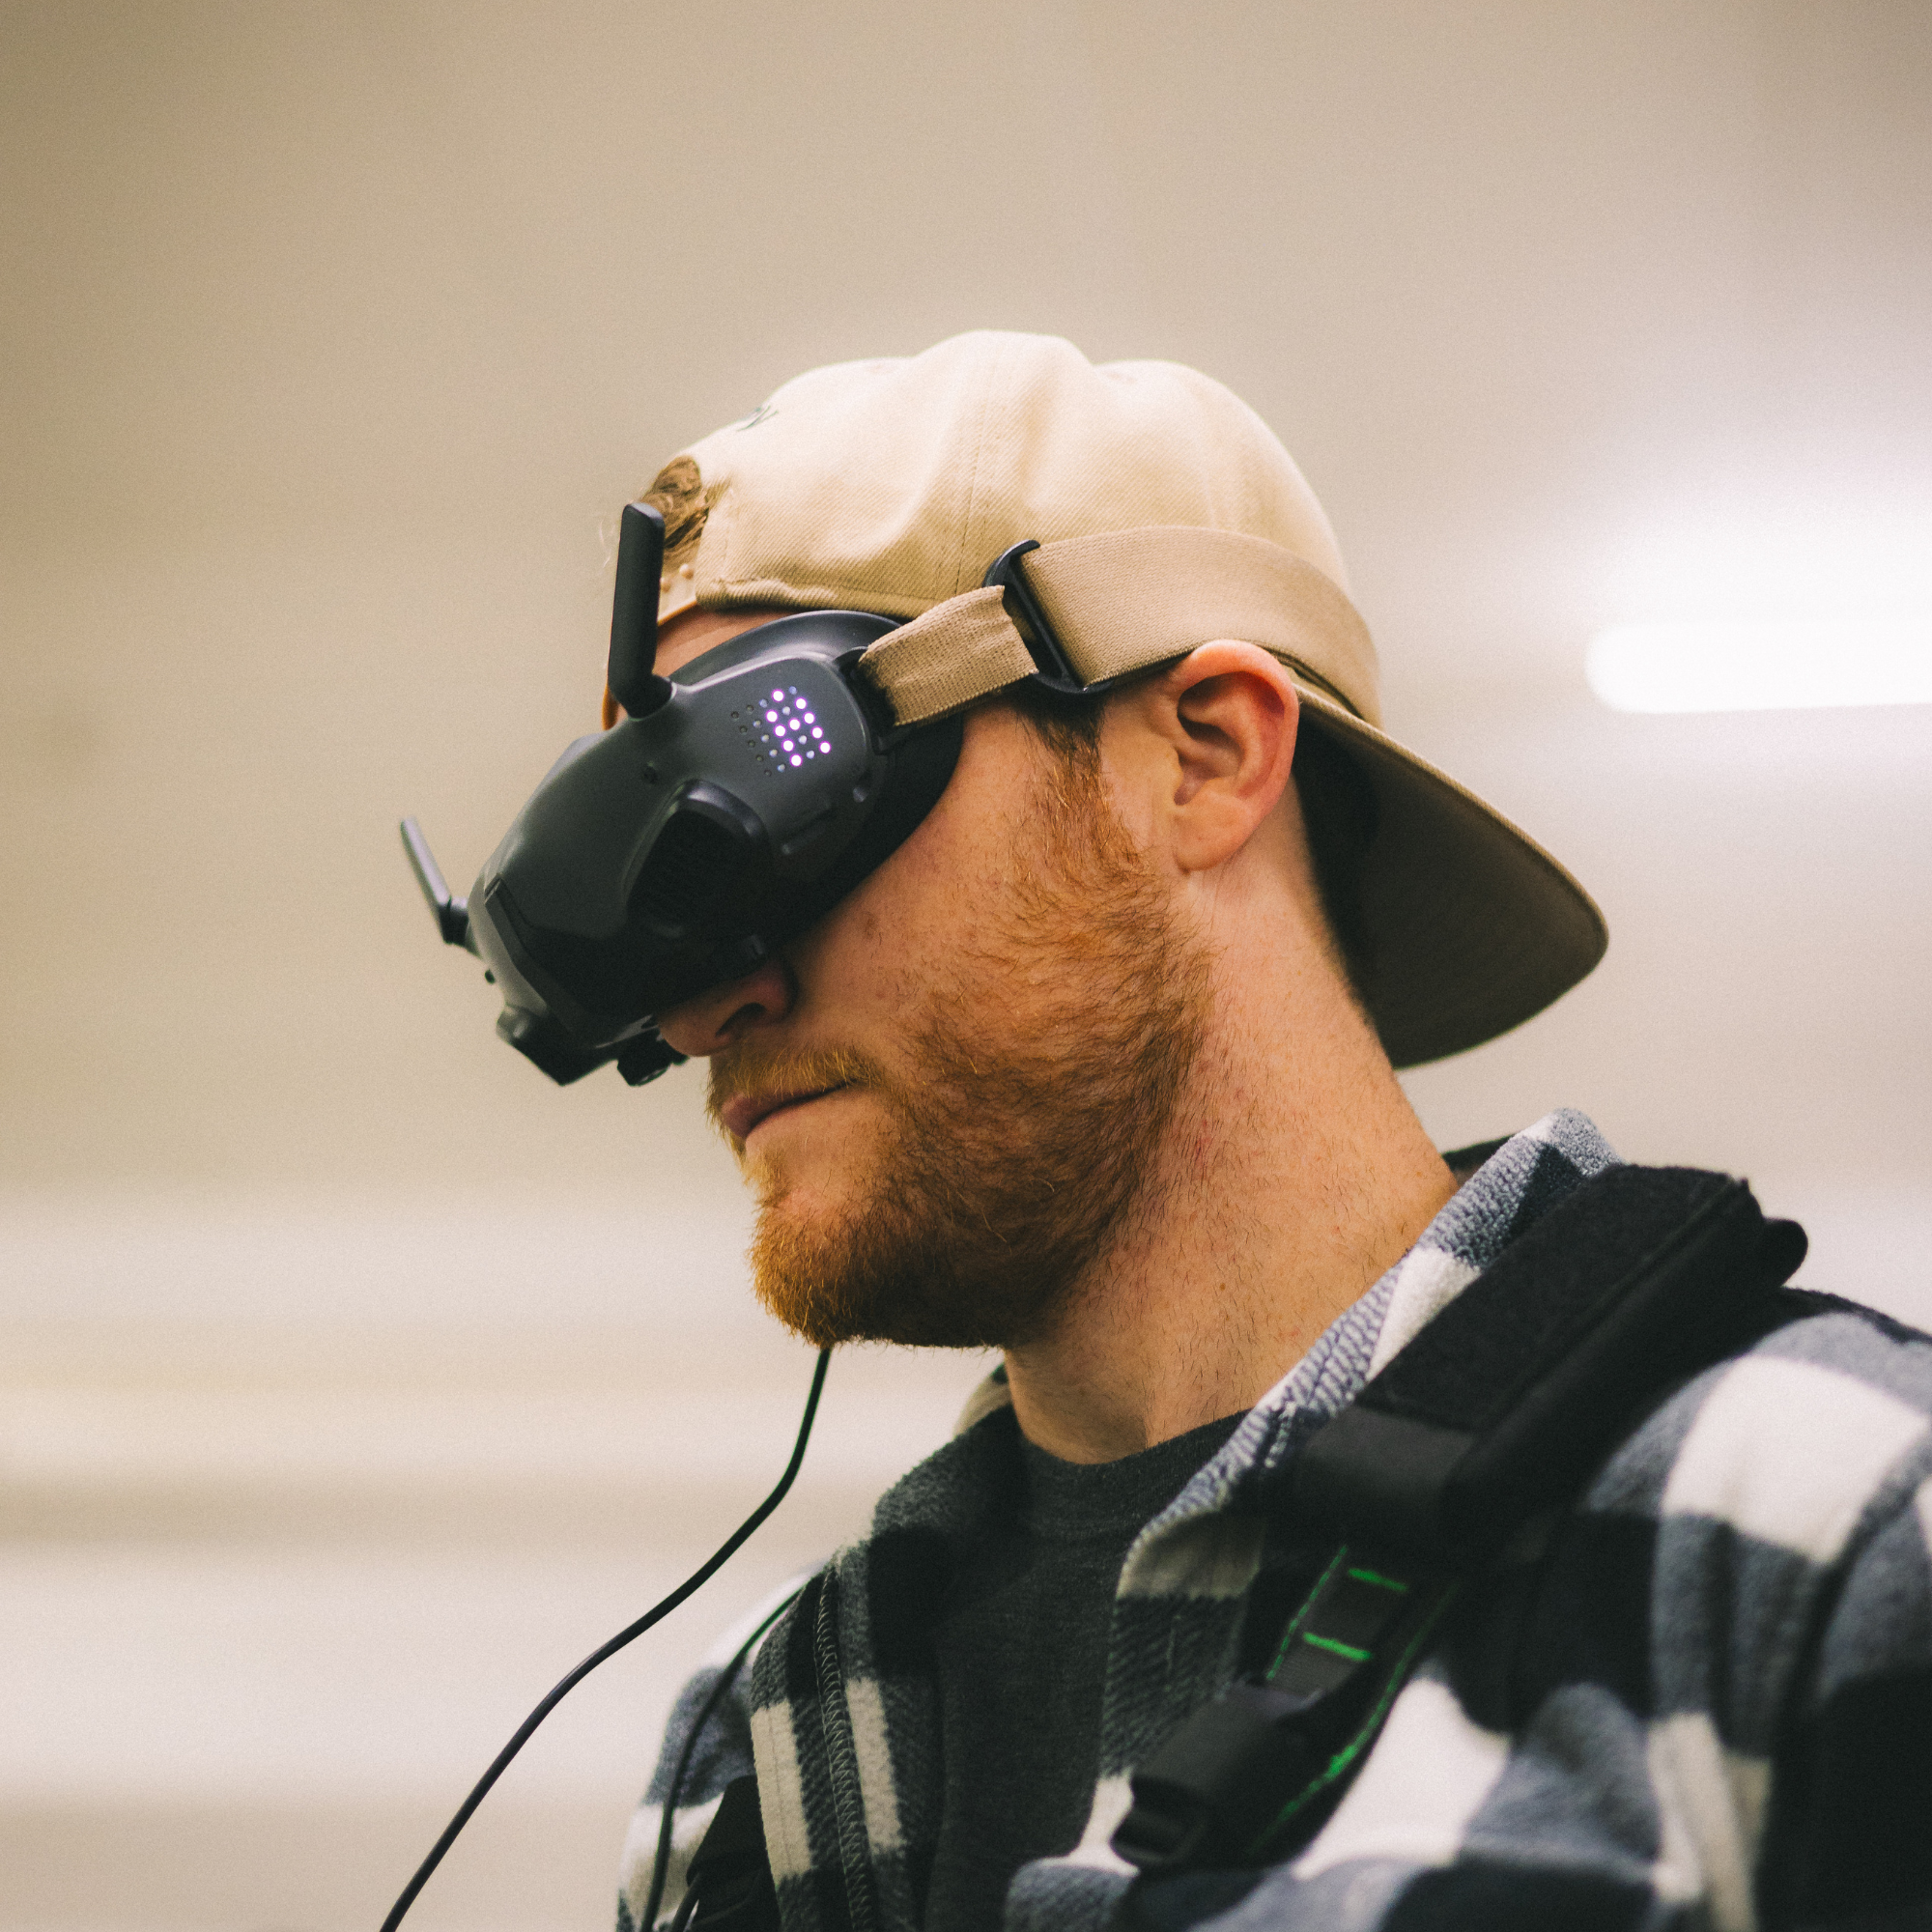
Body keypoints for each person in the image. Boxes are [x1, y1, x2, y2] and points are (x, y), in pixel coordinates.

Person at [610, 333, 1932, 1932]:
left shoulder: (1828, 1532)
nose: (702, 1007)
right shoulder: (753, 1751)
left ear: (1208, 754)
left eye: (788, 803)